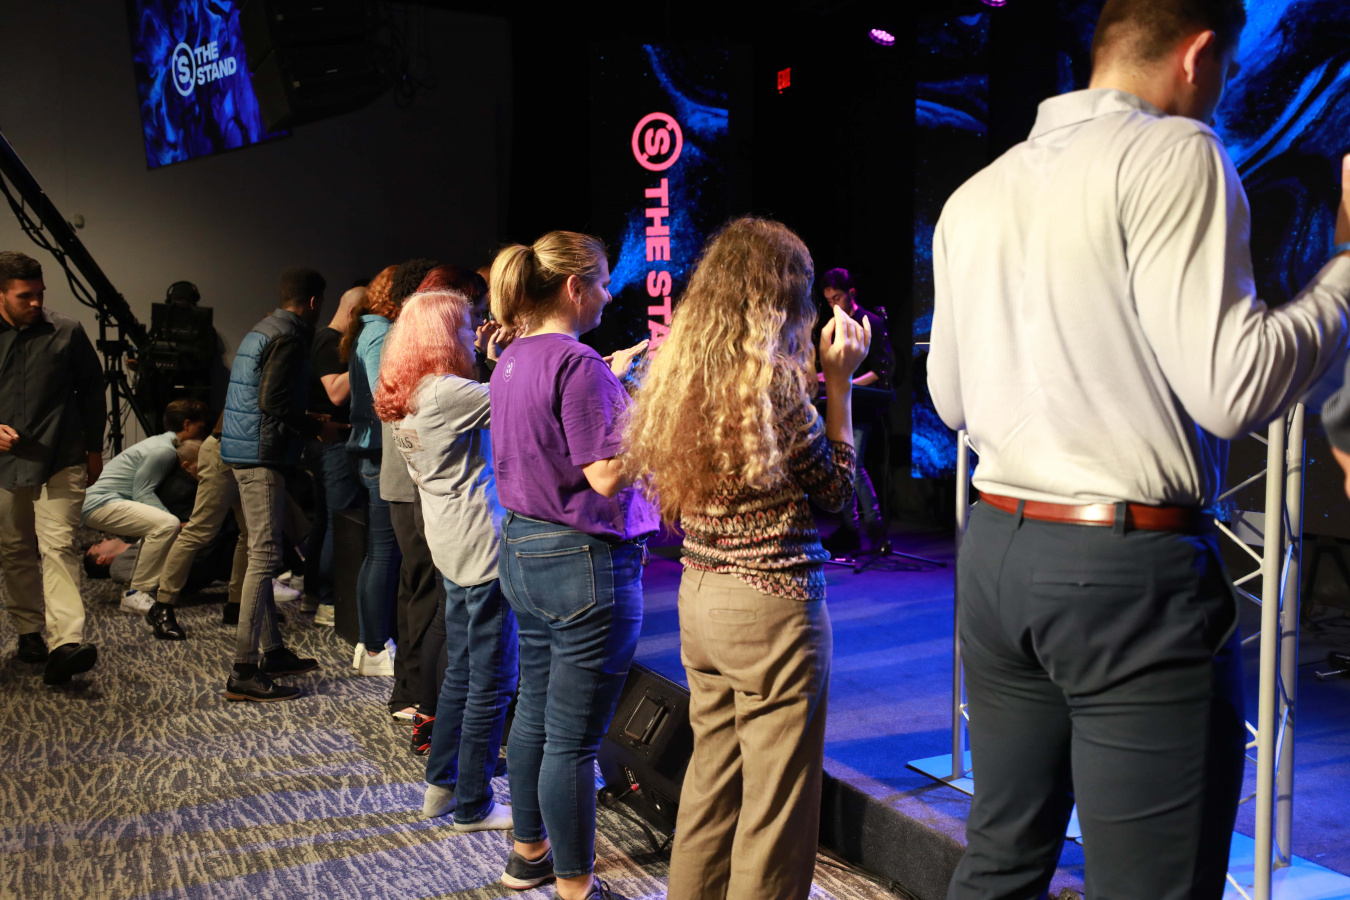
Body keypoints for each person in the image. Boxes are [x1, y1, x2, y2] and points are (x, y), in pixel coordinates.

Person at [927, 0, 1350, 896]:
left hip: (998, 555)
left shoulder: (977, 194)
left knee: (1000, 860)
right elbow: (1234, 391)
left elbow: (951, 401)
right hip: (1122, 574)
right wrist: (1345, 278)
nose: (1220, 90)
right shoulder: (1176, 153)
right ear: (1199, 55)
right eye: (1226, 70)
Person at [623, 218, 868, 900]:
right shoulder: (776, 389)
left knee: (710, 785)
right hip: (770, 611)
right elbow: (837, 492)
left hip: (700, 597)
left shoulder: (679, 376)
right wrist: (841, 387)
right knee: (774, 811)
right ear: (783, 298)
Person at [488, 231, 654, 900]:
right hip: (582, 563)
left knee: (534, 712)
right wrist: (655, 411)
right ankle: (576, 886)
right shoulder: (577, 363)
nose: (609, 296)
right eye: (604, 283)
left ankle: (529, 853)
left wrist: (615, 385)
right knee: (574, 740)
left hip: (525, 550)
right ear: (573, 287)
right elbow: (607, 475)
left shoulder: (513, 356)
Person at [374, 289, 518, 831]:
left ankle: (442, 785)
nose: (473, 333)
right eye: (466, 326)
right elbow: (523, 398)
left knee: (463, 669)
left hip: (451, 544)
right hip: (482, 548)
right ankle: (475, 803)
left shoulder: (409, 392)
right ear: (442, 336)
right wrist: (506, 355)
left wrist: (491, 357)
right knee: (493, 680)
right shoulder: (446, 393)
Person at [221, 267, 344, 702]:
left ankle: (272, 652)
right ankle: (244, 670)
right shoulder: (290, 336)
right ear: (314, 302)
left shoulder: (264, 328)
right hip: (260, 454)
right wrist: (316, 427)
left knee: (261, 551)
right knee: (265, 556)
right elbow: (272, 400)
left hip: (246, 449)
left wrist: (306, 419)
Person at [0, 251, 106, 685]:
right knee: (15, 548)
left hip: (62, 455)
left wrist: (95, 450)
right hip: (5, 463)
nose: (35, 303)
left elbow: (93, 390)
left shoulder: (67, 331)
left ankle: (66, 643)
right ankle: (29, 632)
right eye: (24, 296)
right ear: (0, 295)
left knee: (58, 545)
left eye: (40, 294)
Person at [381, 257, 445, 719]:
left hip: (403, 482)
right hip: (413, 484)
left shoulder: (399, 338)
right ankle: (416, 694)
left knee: (414, 587)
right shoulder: (413, 342)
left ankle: (408, 691)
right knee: (424, 591)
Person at [81, 398, 210, 614]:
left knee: (159, 528)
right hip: (99, 502)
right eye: (200, 428)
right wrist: (177, 525)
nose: (202, 435)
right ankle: (135, 593)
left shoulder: (161, 444)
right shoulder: (164, 450)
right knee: (167, 525)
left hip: (103, 500)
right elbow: (142, 493)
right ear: (187, 425)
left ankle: (134, 589)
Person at [341, 265, 401, 677]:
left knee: (378, 551)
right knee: (383, 552)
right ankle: (376, 647)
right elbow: (386, 395)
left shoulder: (368, 327)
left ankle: (370, 643)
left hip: (370, 450)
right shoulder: (380, 332)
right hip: (379, 452)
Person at [817, 268, 893, 556]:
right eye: (829, 301)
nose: (833, 305)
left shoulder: (870, 321)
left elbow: (880, 371)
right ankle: (850, 530)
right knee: (842, 467)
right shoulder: (833, 326)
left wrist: (843, 380)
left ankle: (875, 530)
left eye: (837, 298)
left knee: (854, 468)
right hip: (841, 406)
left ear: (851, 294)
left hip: (862, 408)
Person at [304, 284, 365, 627]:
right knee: (338, 520)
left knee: (325, 519)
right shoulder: (329, 341)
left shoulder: (326, 339)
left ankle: (314, 594)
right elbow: (336, 393)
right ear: (355, 313)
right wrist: (369, 355)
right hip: (334, 445)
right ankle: (328, 601)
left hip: (327, 444)